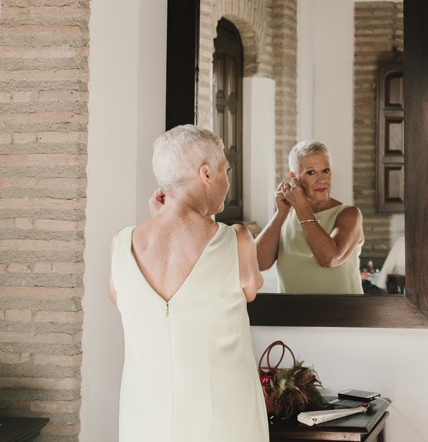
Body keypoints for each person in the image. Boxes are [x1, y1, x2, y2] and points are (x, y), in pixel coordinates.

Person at [109, 125, 269, 442]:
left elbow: (121, 298)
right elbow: (252, 287)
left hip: (145, 423)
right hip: (226, 424)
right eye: (225, 170)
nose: (227, 179)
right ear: (206, 174)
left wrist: (160, 220)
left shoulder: (121, 244)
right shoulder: (236, 240)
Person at [255, 140, 365, 294]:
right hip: (294, 316)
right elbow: (258, 264)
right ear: (294, 177)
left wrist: (302, 208)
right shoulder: (287, 214)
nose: (322, 180)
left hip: (343, 315)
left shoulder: (349, 214)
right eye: (311, 172)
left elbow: (330, 259)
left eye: (326, 170)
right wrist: (281, 213)